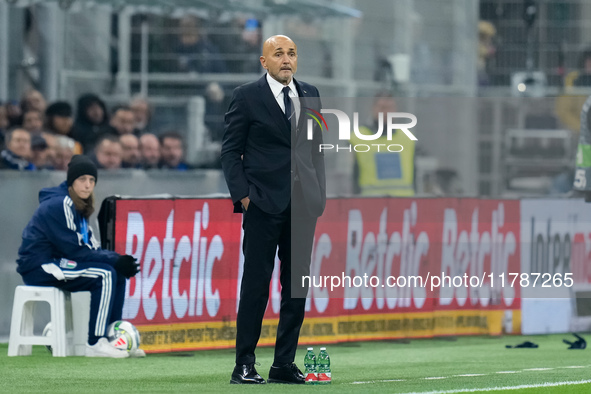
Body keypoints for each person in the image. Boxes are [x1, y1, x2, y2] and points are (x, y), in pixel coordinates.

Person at [221, 35, 326, 385]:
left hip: (302, 206)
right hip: (264, 204)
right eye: (278, 54)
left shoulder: (310, 93)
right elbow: (230, 152)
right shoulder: (247, 96)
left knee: (296, 287)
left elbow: (316, 151)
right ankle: (244, 365)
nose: (286, 59)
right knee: (256, 285)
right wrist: (245, 197)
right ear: (263, 62)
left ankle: (283, 364)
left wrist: (318, 196)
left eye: (292, 53)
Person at [15, 155, 144, 358]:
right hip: (40, 265)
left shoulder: (79, 207)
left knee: (116, 272)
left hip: (60, 260)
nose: (87, 185)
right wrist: (114, 260)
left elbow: (91, 247)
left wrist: (118, 259)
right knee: (104, 275)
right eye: (82, 179)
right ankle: (95, 343)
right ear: (71, 181)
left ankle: (113, 337)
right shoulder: (61, 204)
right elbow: (77, 251)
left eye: (92, 180)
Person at [352, 93, 416, 197]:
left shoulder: (407, 138)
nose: (386, 112)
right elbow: (352, 176)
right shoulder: (357, 138)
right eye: (382, 108)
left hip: (403, 203)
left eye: (390, 108)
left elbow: (414, 176)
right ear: (373, 109)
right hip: (370, 203)